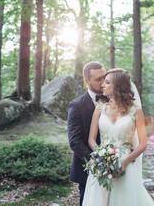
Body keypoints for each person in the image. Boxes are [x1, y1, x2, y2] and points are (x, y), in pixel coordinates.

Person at [82, 68, 154, 206]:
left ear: (118, 86)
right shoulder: (99, 109)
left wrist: (124, 162)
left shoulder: (136, 111)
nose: (102, 85)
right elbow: (91, 140)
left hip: (126, 165)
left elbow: (143, 144)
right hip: (101, 165)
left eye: (107, 82)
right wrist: (102, 159)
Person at [67, 61, 107, 206]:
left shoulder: (115, 101)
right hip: (88, 168)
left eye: (104, 77)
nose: (103, 83)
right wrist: (99, 162)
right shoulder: (76, 106)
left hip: (116, 167)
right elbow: (75, 141)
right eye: (98, 79)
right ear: (86, 81)